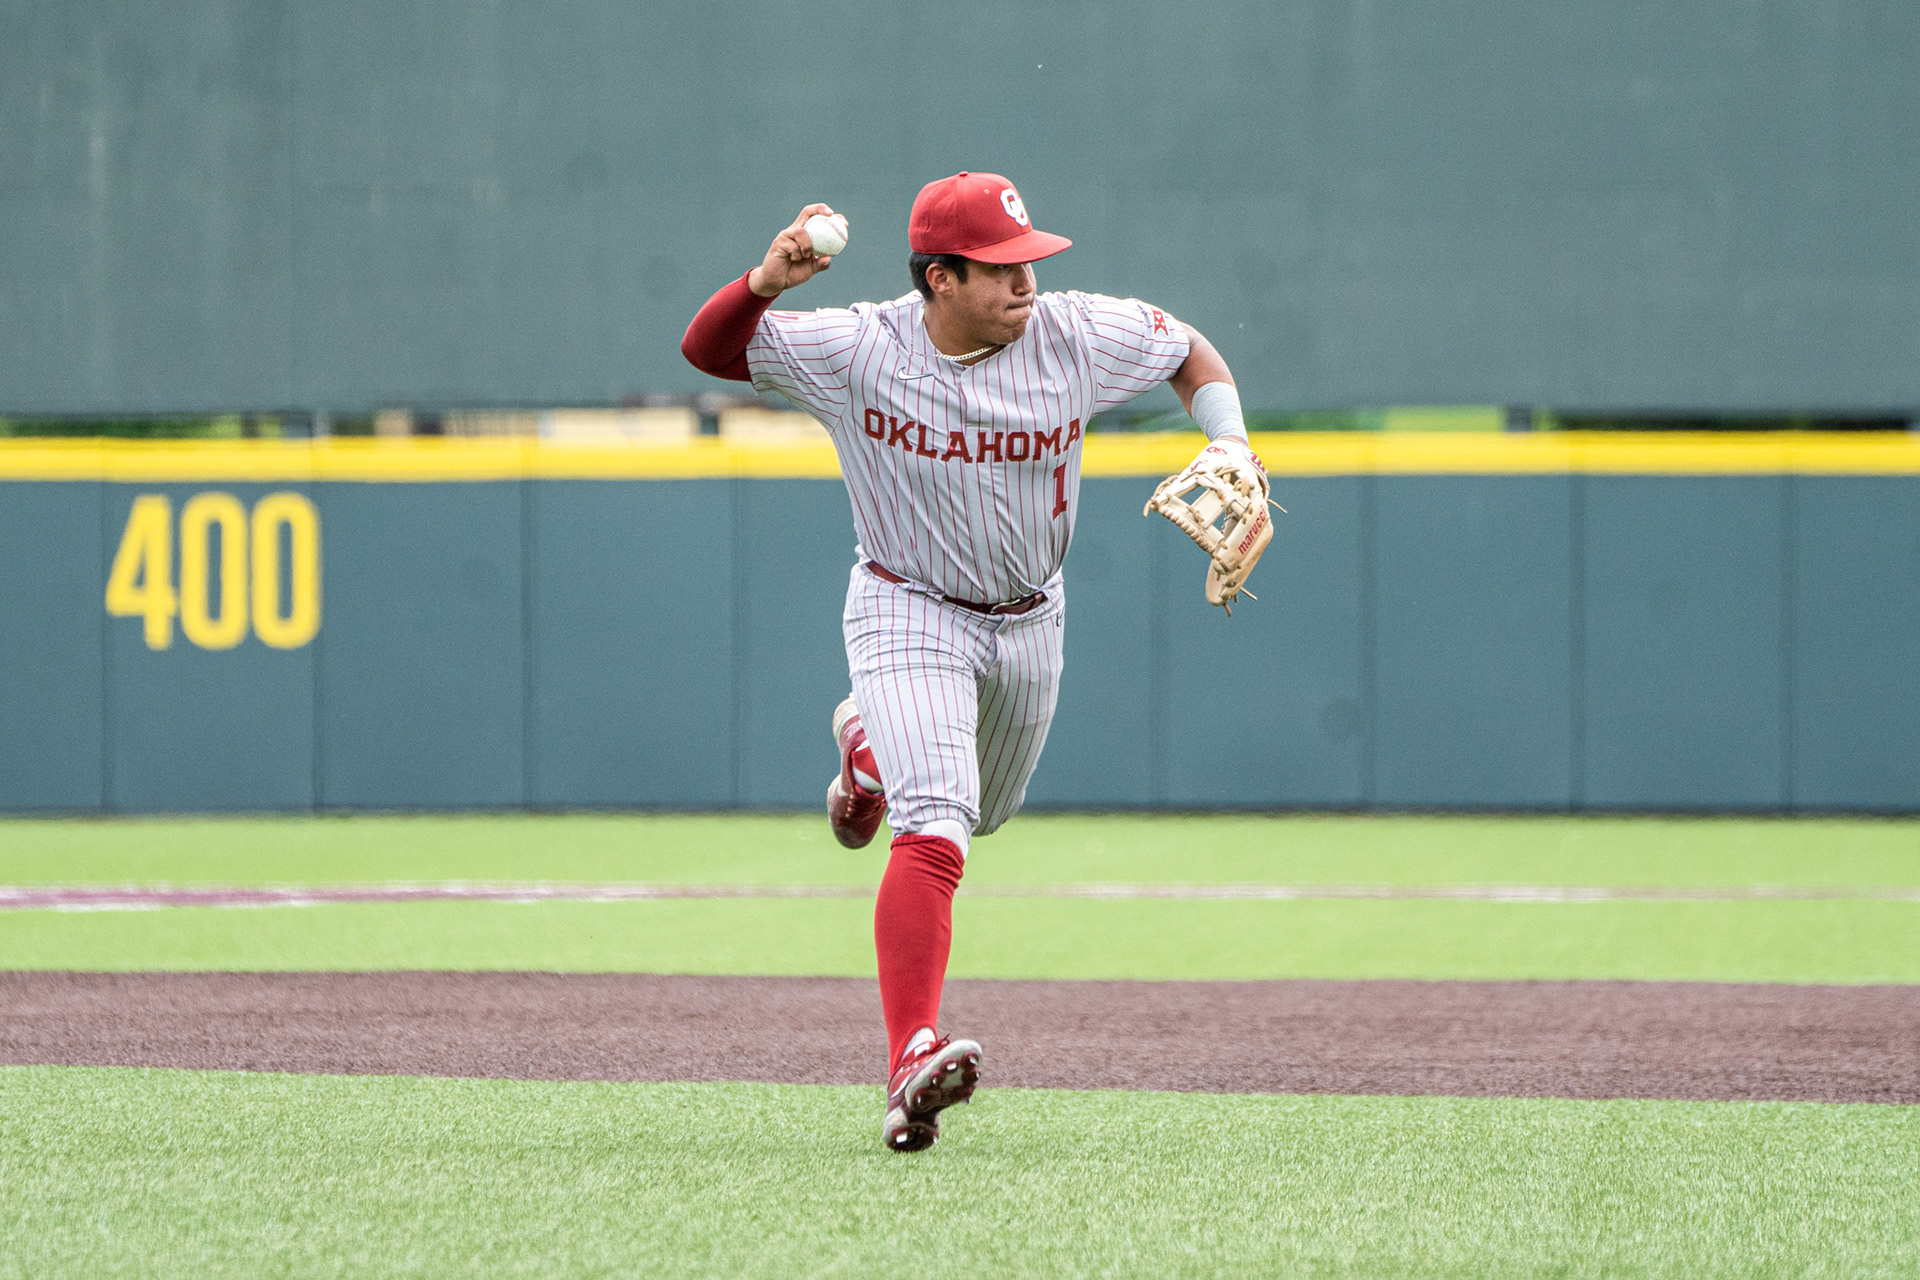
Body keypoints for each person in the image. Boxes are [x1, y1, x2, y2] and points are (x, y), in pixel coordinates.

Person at [681, 172, 1260, 1151]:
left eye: (1029, 261)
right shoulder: (860, 346)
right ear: (939, 278)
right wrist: (765, 277)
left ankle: (867, 748)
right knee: (936, 824)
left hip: (1031, 615)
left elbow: (1189, 350)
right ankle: (911, 1051)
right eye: (1000, 269)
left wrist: (1232, 441)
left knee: (984, 813)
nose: (1026, 283)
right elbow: (711, 350)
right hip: (907, 607)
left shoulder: (1073, 330)